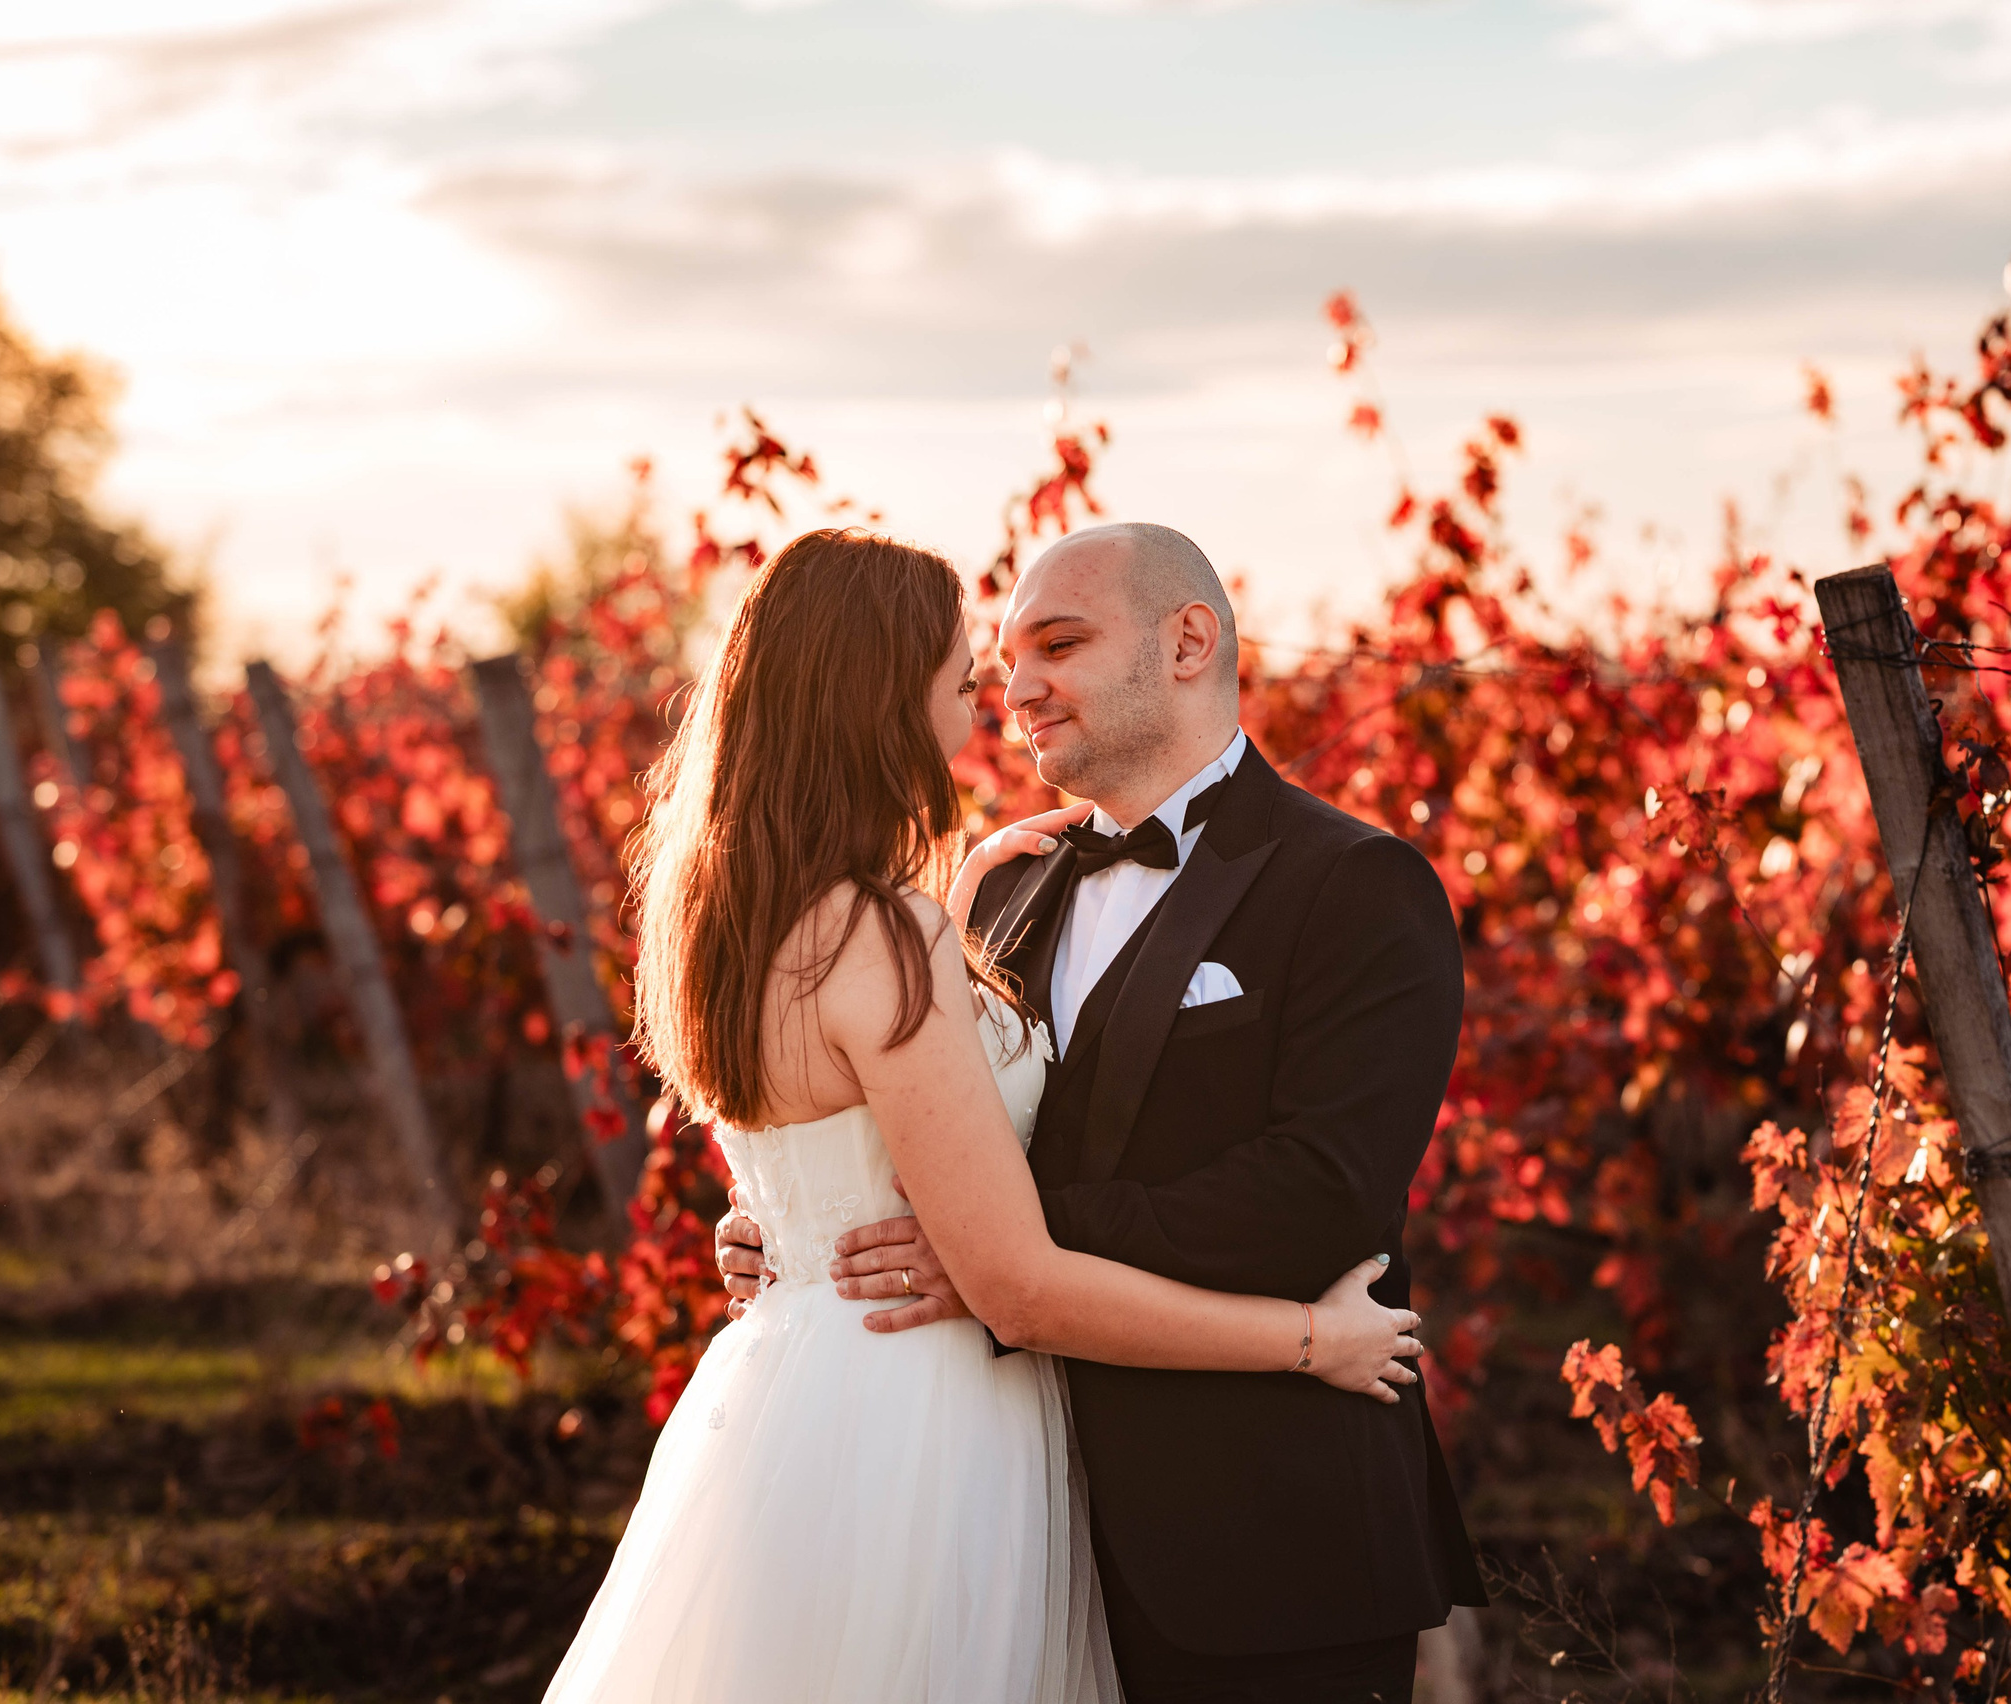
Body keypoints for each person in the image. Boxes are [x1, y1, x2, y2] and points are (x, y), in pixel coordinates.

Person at [543, 529, 1426, 1704]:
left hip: (1243, 1530)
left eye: (1054, 645)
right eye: (982, 667)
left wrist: (925, 1240)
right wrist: (860, 1241)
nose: (1007, 693)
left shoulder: (1349, 883)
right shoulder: (974, 898)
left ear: (1189, 641)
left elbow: (1321, 1192)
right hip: (952, 1469)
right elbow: (945, 1194)